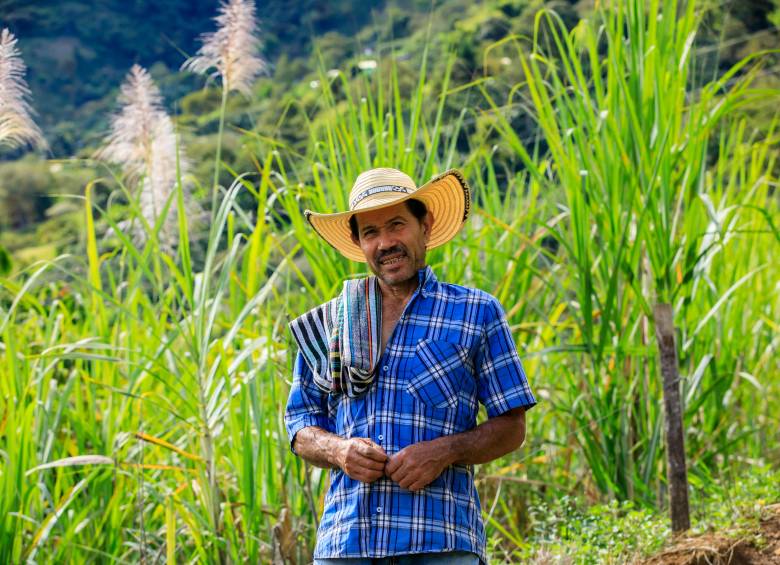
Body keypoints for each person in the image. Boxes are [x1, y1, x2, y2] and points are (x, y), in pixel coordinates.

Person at [285, 167, 537, 564]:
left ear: (426, 225)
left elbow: (512, 426)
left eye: (397, 225)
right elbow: (299, 425)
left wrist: (445, 450)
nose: (385, 243)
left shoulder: (476, 312)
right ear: (358, 243)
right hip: (346, 543)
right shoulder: (330, 323)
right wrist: (338, 451)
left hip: (441, 541)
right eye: (370, 233)